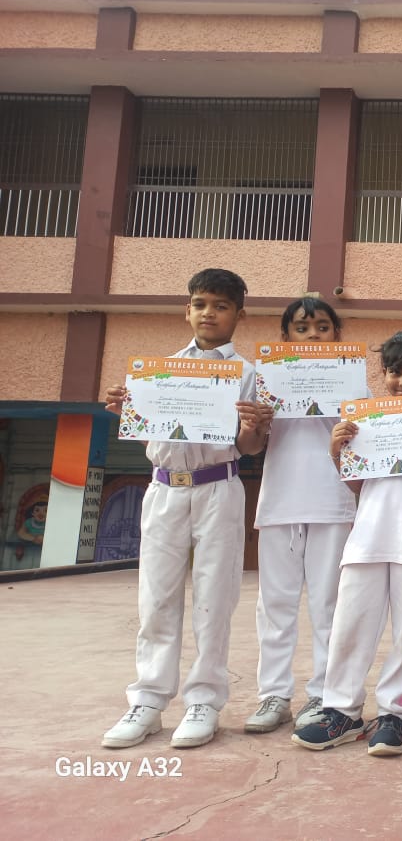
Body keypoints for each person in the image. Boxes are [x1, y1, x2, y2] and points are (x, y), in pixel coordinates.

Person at [102, 268, 270, 749]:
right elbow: (149, 435)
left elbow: (251, 447)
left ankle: (204, 701)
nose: (208, 313)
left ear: (239, 314)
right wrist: (128, 410)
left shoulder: (249, 375)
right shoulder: (160, 371)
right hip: (164, 489)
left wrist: (253, 427)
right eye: (200, 304)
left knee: (214, 598)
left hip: (218, 487)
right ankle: (149, 700)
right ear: (187, 310)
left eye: (220, 306)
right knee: (156, 598)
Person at [292, 330, 402, 756]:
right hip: (367, 538)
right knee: (349, 626)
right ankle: (342, 712)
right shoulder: (366, 420)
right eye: (394, 372)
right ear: (383, 374)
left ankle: (395, 714)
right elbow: (357, 485)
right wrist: (338, 451)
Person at [245, 298, 361, 734]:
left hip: (333, 502)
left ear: (337, 334)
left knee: (329, 604)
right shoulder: (265, 384)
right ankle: (274, 695)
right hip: (280, 503)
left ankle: (324, 693)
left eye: (323, 327)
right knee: (275, 605)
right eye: (302, 328)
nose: (313, 335)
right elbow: (250, 447)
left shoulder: (354, 384)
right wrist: (258, 423)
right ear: (285, 337)